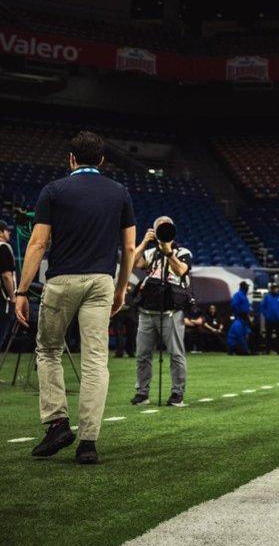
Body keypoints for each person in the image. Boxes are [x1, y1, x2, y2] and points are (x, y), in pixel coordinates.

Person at [14, 131, 135, 464]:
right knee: (95, 360)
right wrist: (122, 287)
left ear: (71, 159)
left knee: (48, 349)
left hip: (62, 281)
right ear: (101, 161)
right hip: (101, 282)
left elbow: (37, 244)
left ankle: (57, 422)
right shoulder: (119, 192)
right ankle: (88, 443)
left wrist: (21, 291)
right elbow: (128, 248)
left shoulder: (53, 190)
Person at [130, 216, 192, 408]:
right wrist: (143, 242)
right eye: (159, 229)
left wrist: (169, 252)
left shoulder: (182, 252)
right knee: (142, 354)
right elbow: (132, 263)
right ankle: (142, 393)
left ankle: (177, 393)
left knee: (176, 354)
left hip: (171, 312)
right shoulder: (150, 253)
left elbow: (182, 271)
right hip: (148, 310)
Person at [0, 218, 17, 351]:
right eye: (7, 231)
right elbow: (6, 276)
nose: (9, 234)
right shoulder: (4, 248)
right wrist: (12, 297)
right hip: (3, 299)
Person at [260, 283, 279, 354]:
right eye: (274, 288)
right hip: (269, 320)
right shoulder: (267, 297)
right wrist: (267, 315)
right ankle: (267, 350)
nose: (276, 289)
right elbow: (262, 307)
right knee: (268, 335)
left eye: (277, 288)